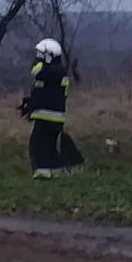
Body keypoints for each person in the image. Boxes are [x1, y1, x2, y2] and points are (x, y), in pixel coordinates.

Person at [20, 38, 84, 179]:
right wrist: (32, 103)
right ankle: (55, 170)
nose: (38, 57)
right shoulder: (60, 73)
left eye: (41, 54)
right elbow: (49, 92)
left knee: (37, 144)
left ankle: (42, 171)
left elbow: (36, 70)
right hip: (56, 117)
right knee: (50, 144)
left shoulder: (48, 71)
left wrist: (39, 61)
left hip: (45, 116)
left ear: (49, 56)